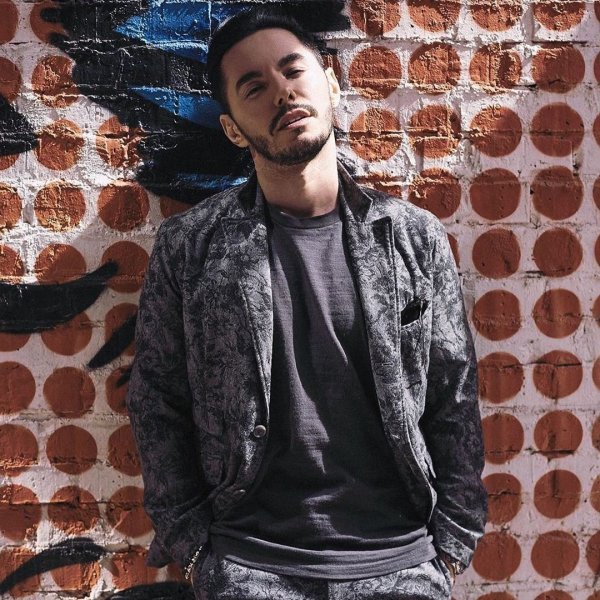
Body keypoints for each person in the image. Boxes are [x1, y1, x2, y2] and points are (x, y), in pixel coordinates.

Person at [126, 7, 487, 599]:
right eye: (254, 87)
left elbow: (454, 393)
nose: (282, 92)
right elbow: (156, 399)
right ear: (233, 129)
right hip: (250, 565)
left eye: (293, 70)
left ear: (331, 83)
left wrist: (451, 543)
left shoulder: (411, 237)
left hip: (401, 561)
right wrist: (192, 548)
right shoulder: (192, 246)